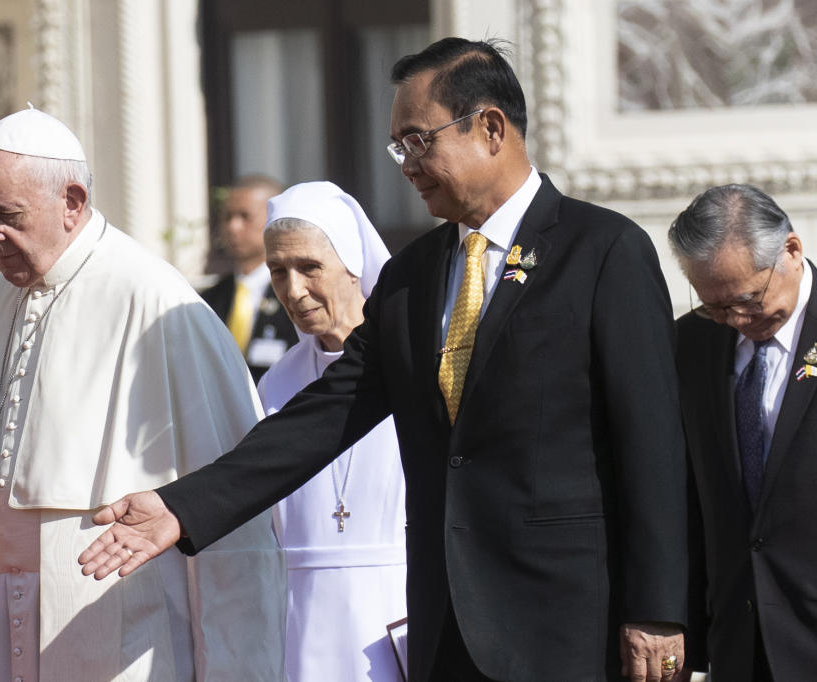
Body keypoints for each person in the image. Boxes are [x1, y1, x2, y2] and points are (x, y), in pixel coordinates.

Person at [80, 37, 690, 682]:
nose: (406, 163)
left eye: (419, 140)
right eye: (398, 146)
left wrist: (656, 609)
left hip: (569, 620)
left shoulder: (601, 250)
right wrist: (183, 506)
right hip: (444, 622)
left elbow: (651, 443)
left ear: (490, 128)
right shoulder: (414, 275)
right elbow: (326, 412)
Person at [0, 107, 286, 681]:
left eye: (7, 215)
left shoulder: (157, 303)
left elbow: (233, 523)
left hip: (123, 642)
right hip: (2, 629)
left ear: (72, 201)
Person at [258, 181, 406, 681]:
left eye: (309, 267)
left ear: (353, 264)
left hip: (400, 612)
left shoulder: (414, 363)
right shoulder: (276, 382)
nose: (292, 290)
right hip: (299, 623)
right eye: (277, 271)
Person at [670, 184, 817, 682]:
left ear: (791, 252)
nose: (735, 320)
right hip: (739, 644)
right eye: (714, 306)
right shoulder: (690, 345)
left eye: (747, 299)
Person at [202, 175, 298, 382]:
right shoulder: (207, 300)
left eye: (245, 216)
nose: (233, 227)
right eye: (227, 217)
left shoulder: (297, 294)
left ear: (275, 219)